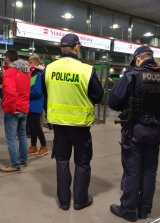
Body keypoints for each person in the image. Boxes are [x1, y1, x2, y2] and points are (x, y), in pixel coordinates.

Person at [108, 46, 160, 222]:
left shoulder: (132, 75)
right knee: (150, 170)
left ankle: (128, 210)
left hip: (135, 129)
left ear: (138, 59)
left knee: (132, 170)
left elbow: (113, 101)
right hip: (156, 130)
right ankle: (145, 209)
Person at [42, 33, 103, 210]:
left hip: (59, 125)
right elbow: (98, 96)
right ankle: (80, 200)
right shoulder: (86, 70)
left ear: (62, 48)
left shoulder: (49, 69)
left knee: (61, 160)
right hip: (80, 126)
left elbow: (46, 97)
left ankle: (63, 200)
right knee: (82, 162)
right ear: (76, 47)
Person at [0, 49, 31, 172]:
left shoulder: (9, 72)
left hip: (14, 109)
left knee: (11, 138)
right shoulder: (26, 71)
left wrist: (11, 108)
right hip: (24, 108)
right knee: (22, 135)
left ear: (8, 58)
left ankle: (14, 164)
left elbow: (10, 92)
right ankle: (23, 159)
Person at [27, 54, 48, 157]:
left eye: (30, 62)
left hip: (36, 104)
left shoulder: (39, 75)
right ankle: (33, 146)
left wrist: (25, 92)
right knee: (32, 127)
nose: (28, 64)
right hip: (30, 105)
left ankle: (44, 146)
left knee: (36, 127)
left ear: (36, 63)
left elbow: (37, 92)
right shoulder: (33, 74)